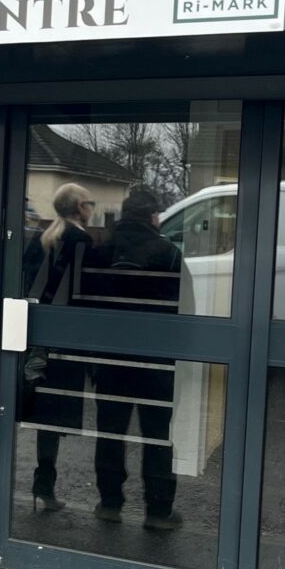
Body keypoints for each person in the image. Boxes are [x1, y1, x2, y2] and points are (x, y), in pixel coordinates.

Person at [88, 186, 183, 530]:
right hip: (155, 361)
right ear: (153, 217)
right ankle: (158, 511)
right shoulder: (169, 252)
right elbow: (185, 310)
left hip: (111, 359)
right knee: (157, 436)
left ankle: (109, 503)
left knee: (110, 433)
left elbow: (85, 305)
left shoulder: (100, 251)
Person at [21, 182, 95, 511]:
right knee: (54, 418)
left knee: (38, 415)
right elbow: (84, 295)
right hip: (66, 343)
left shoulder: (43, 237)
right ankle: (43, 485)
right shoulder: (81, 241)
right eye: (89, 203)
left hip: (34, 339)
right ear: (80, 207)